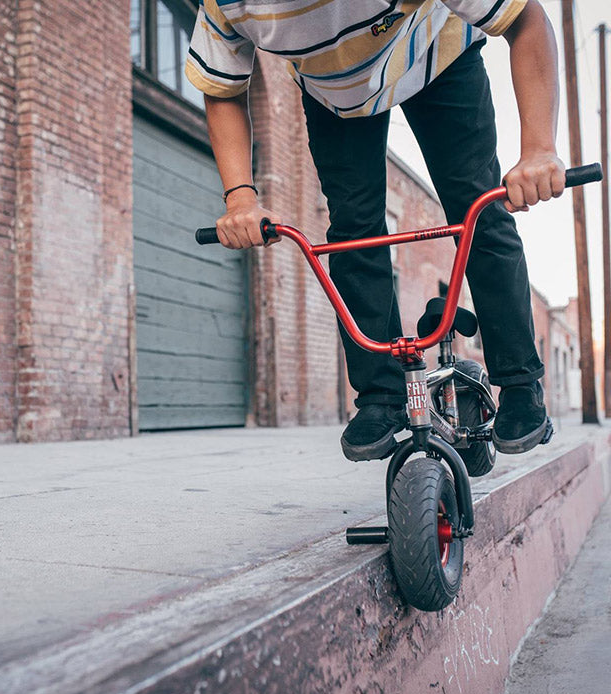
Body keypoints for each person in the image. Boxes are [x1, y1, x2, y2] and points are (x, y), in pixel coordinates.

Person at [186, 0, 564, 461]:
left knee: (477, 209)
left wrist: (539, 149)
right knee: (354, 229)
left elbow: (526, 19)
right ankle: (381, 397)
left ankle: (521, 385)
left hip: (435, 55)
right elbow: (222, 86)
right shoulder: (225, 5)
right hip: (334, 92)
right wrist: (240, 197)